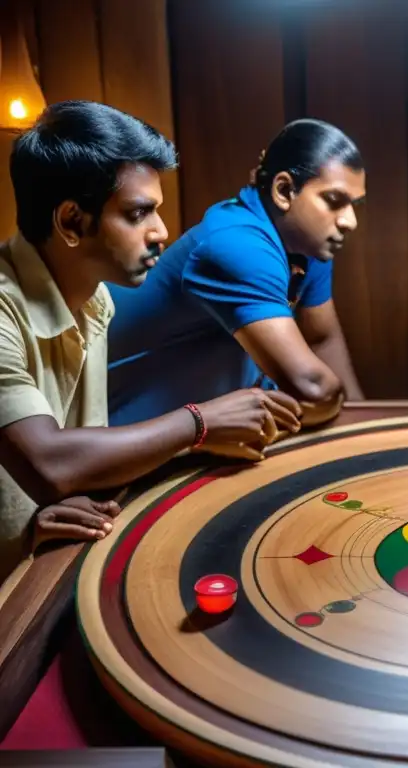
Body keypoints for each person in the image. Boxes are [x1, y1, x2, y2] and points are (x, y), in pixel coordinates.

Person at [0, 101, 302, 584]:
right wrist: (200, 422)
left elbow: (64, 474)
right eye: (139, 213)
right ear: (72, 222)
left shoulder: (96, 299)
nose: (161, 232)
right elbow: (51, 462)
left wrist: (39, 514)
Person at [105, 118, 366, 430]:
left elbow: (322, 339)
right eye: (334, 201)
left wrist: (363, 430)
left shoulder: (309, 244)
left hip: (212, 427)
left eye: (354, 205)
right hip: (137, 432)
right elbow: (313, 390)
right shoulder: (235, 244)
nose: (349, 220)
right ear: (284, 191)